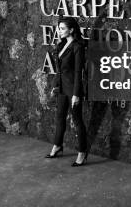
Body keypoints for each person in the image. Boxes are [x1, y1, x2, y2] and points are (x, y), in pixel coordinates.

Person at [46, 17, 88, 167]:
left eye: (63, 28)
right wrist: (54, 85)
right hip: (62, 88)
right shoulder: (62, 44)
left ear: (71, 30)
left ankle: (82, 152)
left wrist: (76, 94)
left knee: (77, 122)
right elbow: (59, 70)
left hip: (73, 89)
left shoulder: (78, 46)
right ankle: (57, 145)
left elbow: (78, 72)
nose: (59, 31)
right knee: (59, 118)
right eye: (59, 28)